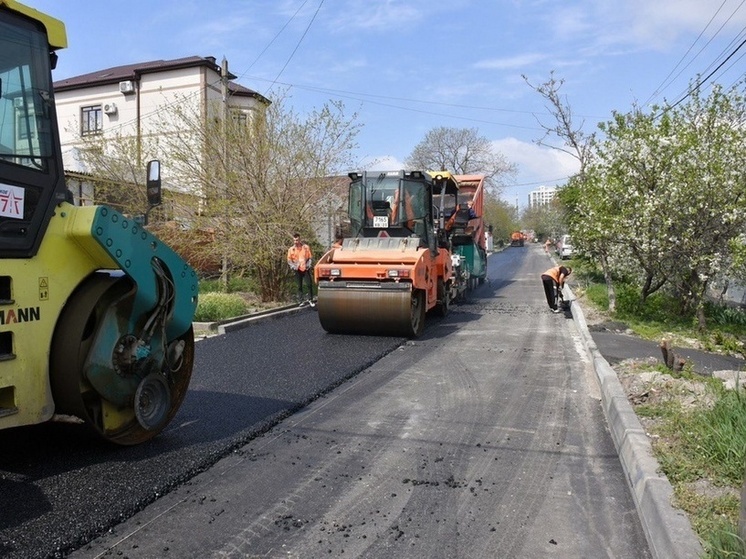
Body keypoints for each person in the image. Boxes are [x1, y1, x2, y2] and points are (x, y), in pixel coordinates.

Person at [287, 233, 314, 304]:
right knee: (299, 286)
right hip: (297, 269)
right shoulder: (291, 249)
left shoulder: (305, 248)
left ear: (300, 240)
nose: (296, 242)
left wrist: (308, 265)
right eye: (294, 240)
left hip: (305, 268)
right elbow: (289, 260)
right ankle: (300, 300)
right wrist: (293, 267)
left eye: (297, 240)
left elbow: (310, 258)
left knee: (309, 284)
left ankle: (310, 299)